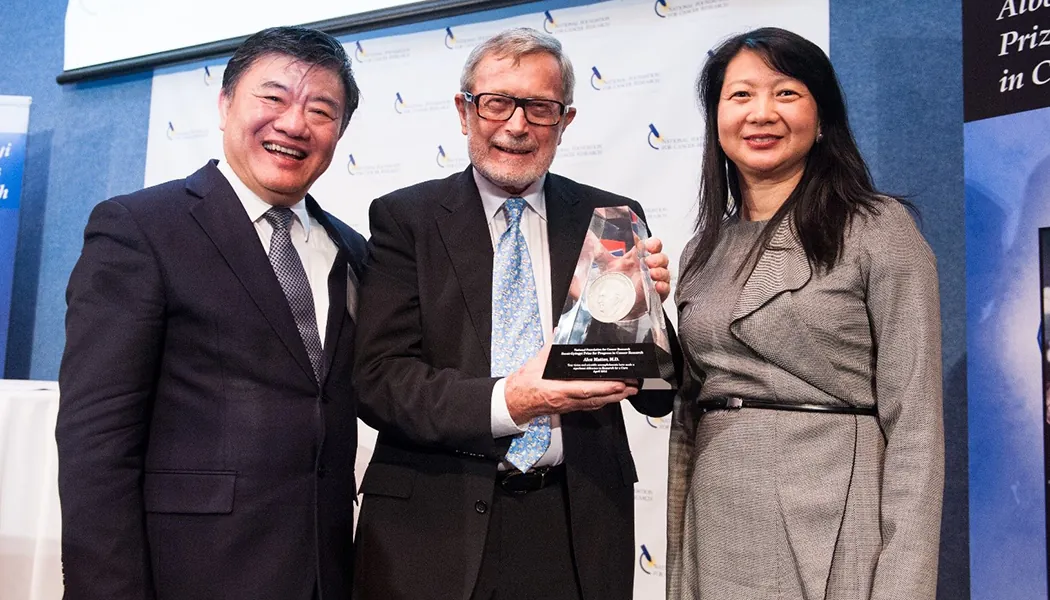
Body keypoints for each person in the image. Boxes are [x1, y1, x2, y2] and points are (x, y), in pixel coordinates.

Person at [352, 27, 679, 600]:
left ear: (566, 120)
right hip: (432, 524)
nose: (516, 125)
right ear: (463, 110)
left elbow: (655, 394)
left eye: (540, 108)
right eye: (497, 102)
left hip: (576, 526)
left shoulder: (609, 216)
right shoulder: (406, 218)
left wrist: (651, 316)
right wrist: (512, 401)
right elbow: (382, 382)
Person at [56, 26, 365, 600]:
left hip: (324, 572)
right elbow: (96, 442)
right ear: (225, 105)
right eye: (272, 98)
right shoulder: (140, 229)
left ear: (339, 132)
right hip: (190, 574)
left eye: (321, 110)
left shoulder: (354, 250)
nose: (294, 124)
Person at [667, 27, 944, 600]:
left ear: (822, 117)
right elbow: (686, 410)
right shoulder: (702, 249)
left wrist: (903, 586)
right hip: (716, 512)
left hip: (834, 513)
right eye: (740, 95)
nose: (761, 113)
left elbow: (915, 425)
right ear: (717, 120)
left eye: (786, 93)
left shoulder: (877, 228)